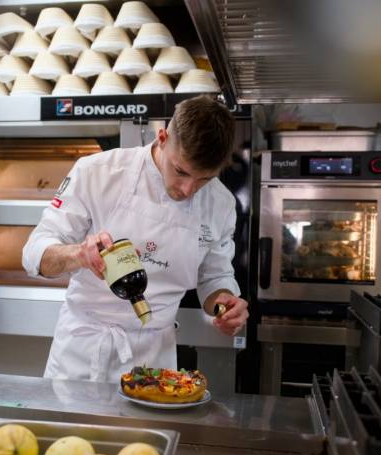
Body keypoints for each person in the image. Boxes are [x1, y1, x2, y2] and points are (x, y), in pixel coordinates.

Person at [22, 95, 249, 382]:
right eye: (180, 171)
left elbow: (214, 277)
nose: (189, 189)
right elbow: (34, 252)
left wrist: (225, 304)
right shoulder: (97, 172)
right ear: (163, 138)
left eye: (204, 179)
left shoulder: (221, 203)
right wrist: (78, 255)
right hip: (81, 352)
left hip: (153, 359)